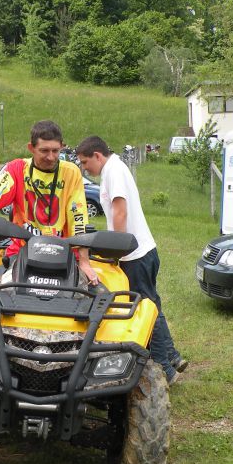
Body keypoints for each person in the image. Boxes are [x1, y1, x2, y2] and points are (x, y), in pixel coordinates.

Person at [76, 135, 187, 385]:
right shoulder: (114, 169)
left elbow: (120, 210)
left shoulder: (114, 170)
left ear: (97, 155)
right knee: (153, 306)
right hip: (144, 250)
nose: (84, 168)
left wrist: (116, 249)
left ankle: (163, 371)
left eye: (85, 162)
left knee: (143, 312)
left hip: (135, 255)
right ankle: (172, 356)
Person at [0, 119, 97, 284]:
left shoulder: (71, 172)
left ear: (62, 147)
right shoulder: (17, 168)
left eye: (55, 150)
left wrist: (84, 262)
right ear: (31, 148)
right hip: (21, 252)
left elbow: (78, 217)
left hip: (64, 253)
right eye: (44, 151)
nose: (51, 157)